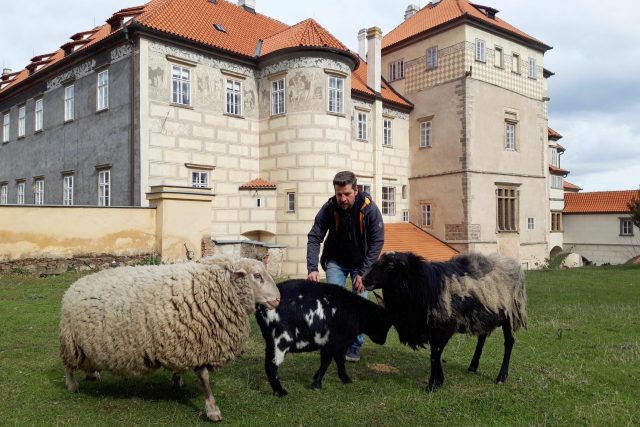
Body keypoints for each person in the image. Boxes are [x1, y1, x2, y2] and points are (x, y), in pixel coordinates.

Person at [306, 171, 384, 362]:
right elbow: (314, 236)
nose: (342, 198)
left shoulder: (369, 209)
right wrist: (312, 268)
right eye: (339, 194)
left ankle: (355, 346)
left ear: (356, 190)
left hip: (361, 264)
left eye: (346, 194)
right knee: (334, 303)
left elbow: (377, 242)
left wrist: (365, 273)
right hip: (336, 261)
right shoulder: (330, 207)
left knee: (359, 303)